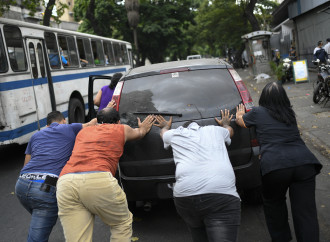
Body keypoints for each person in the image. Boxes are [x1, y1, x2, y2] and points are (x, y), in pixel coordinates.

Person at [235, 82, 322, 242]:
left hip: (275, 166)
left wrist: (239, 115)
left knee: (274, 205)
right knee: (305, 212)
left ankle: (281, 238)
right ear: (284, 98)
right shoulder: (289, 113)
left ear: (263, 98)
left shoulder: (257, 112)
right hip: (304, 163)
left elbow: (242, 123)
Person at [56, 103, 155, 242]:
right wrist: (143, 128)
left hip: (66, 182)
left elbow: (95, 123)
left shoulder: (83, 132)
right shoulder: (121, 129)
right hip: (98, 179)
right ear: (118, 121)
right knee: (121, 223)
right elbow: (140, 133)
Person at [154, 110, 241, 242]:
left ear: (183, 128)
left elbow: (163, 134)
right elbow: (230, 131)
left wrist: (166, 126)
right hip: (221, 195)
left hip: (185, 197)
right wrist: (225, 123)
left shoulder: (175, 134)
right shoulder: (215, 130)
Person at [15, 111, 97, 242]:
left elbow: (26, 164)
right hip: (45, 189)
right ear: (63, 120)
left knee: (37, 222)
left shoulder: (35, 135)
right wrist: (109, 107)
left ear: (47, 125)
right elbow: (92, 123)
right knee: (38, 234)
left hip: (22, 185)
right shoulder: (69, 127)